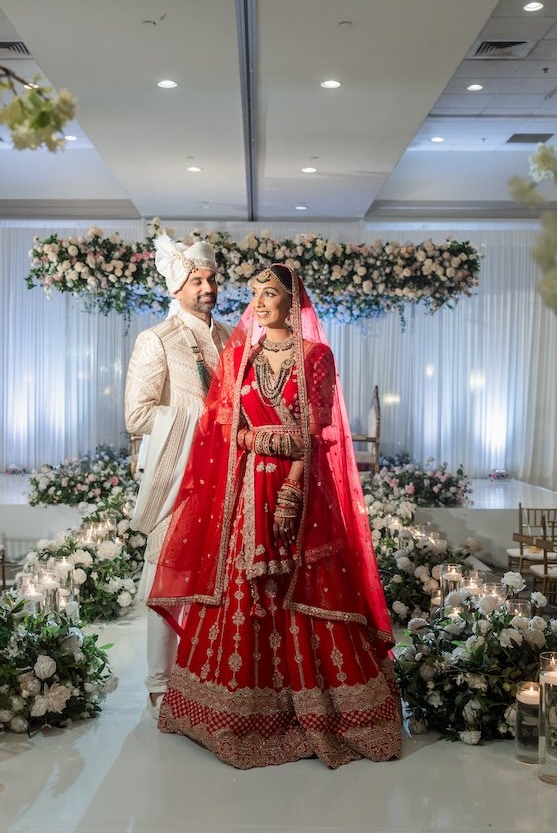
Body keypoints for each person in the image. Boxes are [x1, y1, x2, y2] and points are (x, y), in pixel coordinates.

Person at [147, 263, 401, 769]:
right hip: (246, 498)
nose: (259, 303)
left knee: (305, 589)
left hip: (300, 495)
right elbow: (222, 429)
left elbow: (314, 433)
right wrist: (254, 442)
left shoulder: (317, 357)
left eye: (271, 294)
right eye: (255, 294)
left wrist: (289, 486)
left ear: (293, 302)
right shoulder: (240, 358)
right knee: (245, 593)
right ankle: (240, 711)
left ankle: (313, 709)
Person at [125, 233, 231, 706]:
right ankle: (159, 683)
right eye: (196, 280)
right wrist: (200, 424)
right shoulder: (157, 340)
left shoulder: (231, 338)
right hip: (181, 479)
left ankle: (208, 672)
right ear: (175, 288)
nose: (206, 288)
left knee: (220, 578)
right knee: (168, 578)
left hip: (228, 478)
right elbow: (137, 415)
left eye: (211, 279)